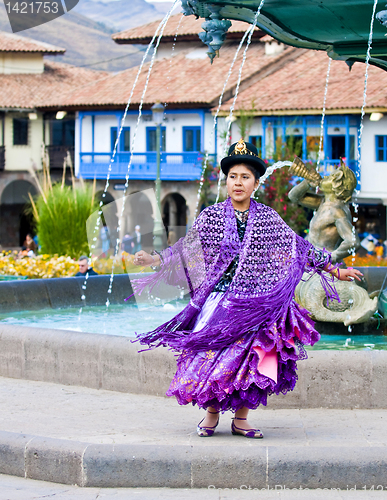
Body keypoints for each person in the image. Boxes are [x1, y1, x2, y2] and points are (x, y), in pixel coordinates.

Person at [131, 139, 362, 439]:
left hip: (256, 302)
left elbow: (299, 247)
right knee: (211, 358)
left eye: (245, 177)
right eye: (233, 177)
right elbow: (186, 249)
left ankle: (241, 419)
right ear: (226, 181)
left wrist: (335, 268)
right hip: (218, 302)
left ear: (255, 183)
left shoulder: (268, 218)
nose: (238, 183)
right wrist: (156, 259)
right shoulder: (210, 217)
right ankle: (211, 414)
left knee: (250, 361)